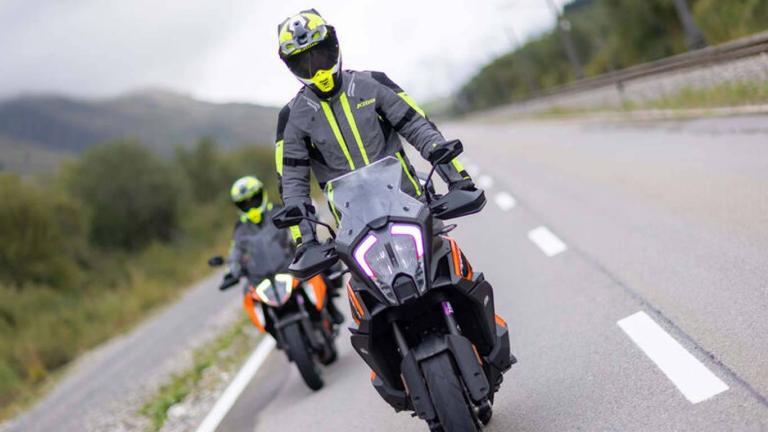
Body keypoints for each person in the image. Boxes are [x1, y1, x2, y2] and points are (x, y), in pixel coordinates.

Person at [274, 9, 477, 248]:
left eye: (319, 55)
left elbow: (418, 126)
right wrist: (305, 242)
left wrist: (458, 180)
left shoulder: (373, 84)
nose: (316, 69)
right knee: (355, 277)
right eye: (304, 63)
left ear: (333, 46)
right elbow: (292, 185)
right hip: (354, 231)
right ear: (292, 67)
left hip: (411, 207)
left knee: (448, 260)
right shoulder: (292, 118)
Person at [222, 175, 344, 324]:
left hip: (288, 263)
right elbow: (235, 250)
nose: (251, 206)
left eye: (254, 199)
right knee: (248, 292)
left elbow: (298, 224)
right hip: (262, 275)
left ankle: (331, 307)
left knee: (317, 266)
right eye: (245, 204)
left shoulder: (277, 211)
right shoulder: (240, 229)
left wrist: (303, 236)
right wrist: (231, 271)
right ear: (238, 206)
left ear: (261, 194)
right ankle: (269, 325)